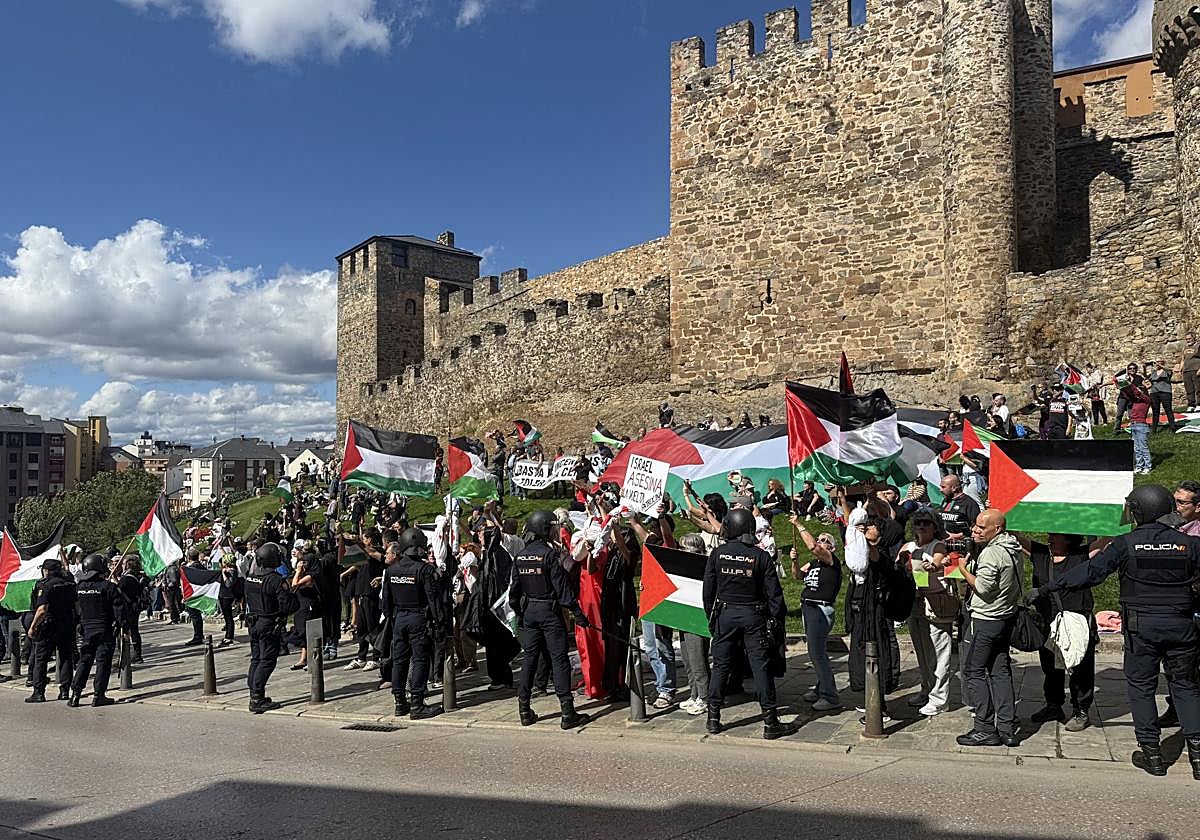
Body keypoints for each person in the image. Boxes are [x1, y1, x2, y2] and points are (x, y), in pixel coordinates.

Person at [1032, 485, 1200, 779]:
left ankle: (1152, 756)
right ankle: (1198, 758)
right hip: (1182, 627)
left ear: (1138, 512)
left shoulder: (1126, 544)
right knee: (1185, 687)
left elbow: (1089, 573)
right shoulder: (1189, 544)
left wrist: (1047, 588)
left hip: (1141, 629)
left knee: (1142, 689)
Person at [703, 507, 792, 740]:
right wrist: (777, 621)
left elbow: (707, 591)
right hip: (754, 615)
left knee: (720, 666)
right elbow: (775, 595)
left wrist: (711, 619)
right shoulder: (760, 556)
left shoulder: (718, 554)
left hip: (725, 614)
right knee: (760, 667)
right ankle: (770, 722)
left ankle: (713, 718)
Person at [508, 508, 591, 729]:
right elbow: (563, 591)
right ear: (545, 529)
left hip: (530, 613)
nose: (556, 530)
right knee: (559, 660)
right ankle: (567, 712)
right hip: (550, 612)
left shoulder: (521, 556)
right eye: (553, 527)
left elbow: (513, 592)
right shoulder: (550, 555)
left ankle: (524, 709)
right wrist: (579, 615)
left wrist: (520, 612)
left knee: (529, 660)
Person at [1019, 533, 1102, 732]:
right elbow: (1014, 536)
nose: (1050, 538)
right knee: (1050, 666)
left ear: (1069, 539)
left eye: (1055, 536)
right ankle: (1053, 705)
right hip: (1048, 621)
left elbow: (1108, 540)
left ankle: (1080, 710)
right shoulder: (1041, 554)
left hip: (1076, 621)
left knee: (1080, 667)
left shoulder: (1081, 555)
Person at [956, 509, 1023, 747]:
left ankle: (984, 727)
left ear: (997, 529)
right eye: (975, 525)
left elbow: (983, 588)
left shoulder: (993, 554)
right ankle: (1007, 727)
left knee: (973, 671)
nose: (975, 530)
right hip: (1004, 617)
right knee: (999, 671)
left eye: (981, 527)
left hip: (987, 619)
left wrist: (963, 568)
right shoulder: (1012, 548)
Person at [380, 530, 443, 719]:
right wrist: (440, 623)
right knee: (420, 660)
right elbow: (433, 600)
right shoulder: (424, 570)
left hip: (399, 619)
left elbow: (386, 603)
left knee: (399, 660)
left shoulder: (391, 570)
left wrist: (392, 618)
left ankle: (399, 702)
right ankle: (417, 703)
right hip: (418, 618)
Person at [905, 511, 958, 717]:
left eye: (926, 523)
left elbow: (936, 561)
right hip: (915, 602)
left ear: (935, 526)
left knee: (939, 651)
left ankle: (939, 699)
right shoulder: (909, 546)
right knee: (921, 651)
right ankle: (926, 689)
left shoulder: (937, 545)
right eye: (918, 523)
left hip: (936, 603)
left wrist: (932, 565)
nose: (921, 526)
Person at [790, 516, 842, 712]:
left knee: (816, 653)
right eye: (819, 538)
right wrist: (794, 562)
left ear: (832, 548)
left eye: (825, 540)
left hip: (820, 609)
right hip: (809, 607)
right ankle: (822, 687)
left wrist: (799, 524)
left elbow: (813, 547)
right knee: (817, 651)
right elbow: (797, 576)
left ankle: (830, 695)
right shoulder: (813, 564)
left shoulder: (831, 561)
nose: (820, 542)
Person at [243, 542, 297, 714]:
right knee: (267, 660)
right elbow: (287, 605)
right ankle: (257, 698)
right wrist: (292, 594)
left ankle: (254, 691)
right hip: (268, 623)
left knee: (256, 658)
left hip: (253, 622)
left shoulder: (250, 577)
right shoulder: (274, 580)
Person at [68, 553, 125, 707]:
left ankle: (75, 695)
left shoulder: (79, 587)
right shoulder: (108, 587)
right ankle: (98, 695)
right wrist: (123, 626)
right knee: (102, 663)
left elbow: (75, 609)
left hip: (86, 630)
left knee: (84, 662)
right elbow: (119, 610)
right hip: (104, 629)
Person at [26, 558, 77, 703]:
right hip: (67, 622)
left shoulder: (45, 585)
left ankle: (39, 692)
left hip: (48, 623)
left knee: (41, 658)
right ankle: (65, 690)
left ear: (46, 570)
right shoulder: (69, 583)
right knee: (66, 656)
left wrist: (33, 627)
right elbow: (76, 604)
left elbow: (42, 609)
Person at [676, 532, 711, 715]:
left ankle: (704, 697)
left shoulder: (704, 568)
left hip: (697, 618)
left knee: (698, 660)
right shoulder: (684, 567)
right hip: (684, 616)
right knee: (687, 659)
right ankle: (694, 693)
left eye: (682, 548)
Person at [117, 556, 147, 663]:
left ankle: (127, 655)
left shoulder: (127, 578)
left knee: (126, 631)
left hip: (128, 607)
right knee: (134, 630)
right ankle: (137, 654)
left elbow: (119, 590)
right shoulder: (137, 576)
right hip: (135, 606)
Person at [938, 474, 980, 543]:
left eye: (943, 487)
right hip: (943, 543)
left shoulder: (969, 503)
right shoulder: (945, 501)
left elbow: (976, 526)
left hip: (961, 544)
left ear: (954, 488)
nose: (940, 490)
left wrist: (956, 536)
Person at [218, 555, 243, 646]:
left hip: (227, 596)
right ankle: (227, 635)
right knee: (226, 617)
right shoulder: (227, 570)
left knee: (228, 617)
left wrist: (224, 575)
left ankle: (229, 636)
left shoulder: (232, 571)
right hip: (223, 595)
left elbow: (229, 584)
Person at [1148, 360, 1177, 432]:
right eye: (1156, 362)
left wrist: (1160, 366)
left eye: (1159, 362)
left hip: (1165, 392)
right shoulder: (1153, 373)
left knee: (1168, 410)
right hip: (1154, 393)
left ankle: (1173, 428)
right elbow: (1146, 377)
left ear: (1163, 363)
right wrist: (1144, 367)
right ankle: (1154, 429)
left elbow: (1170, 370)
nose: (1157, 364)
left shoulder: (1166, 371)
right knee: (1155, 411)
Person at [1177, 331, 1200, 411]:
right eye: (1186, 339)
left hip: (1196, 369)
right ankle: (1191, 404)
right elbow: (1183, 359)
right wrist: (1180, 369)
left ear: (1194, 338)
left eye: (1189, 338)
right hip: (1186, 370)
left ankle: (1199, 404)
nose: (1188, 340)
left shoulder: (1198, 346)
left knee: (1198, 388)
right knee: (1189, 388)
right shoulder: (1185, 347)